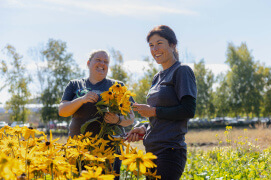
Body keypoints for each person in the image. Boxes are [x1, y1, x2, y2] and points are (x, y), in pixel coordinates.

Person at [127, 25, 197, 180]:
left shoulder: (182, 71)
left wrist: (153, 111)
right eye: (151, 45)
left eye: (159, 43)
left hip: (170, 152)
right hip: (151, 152)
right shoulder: (157, 77)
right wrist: (145, 128)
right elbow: (161, 115)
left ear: (172, 45)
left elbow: (188, 110)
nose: (155, 49)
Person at [58, 50, 134, 179]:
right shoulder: (75, 85)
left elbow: (130, 118)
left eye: (106, 62)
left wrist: (117, 120)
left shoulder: (118, 86)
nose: (102, 64)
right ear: (88, 63)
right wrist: (82, 99)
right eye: (98, 60)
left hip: (109, 150)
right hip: (80, 148)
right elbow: (63, 111)